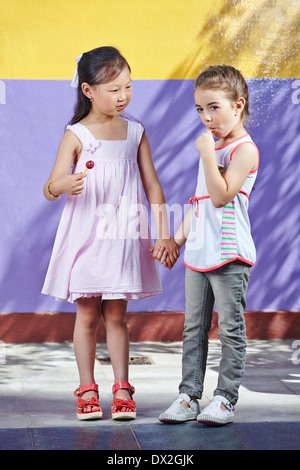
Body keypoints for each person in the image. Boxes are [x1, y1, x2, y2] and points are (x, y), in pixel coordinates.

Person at [42, 46, 179, 421]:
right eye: (114, 89)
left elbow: (153, 185)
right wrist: (62, 185)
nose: (123, 97)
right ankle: (87, 387)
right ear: (88, 90)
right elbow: (49, 186)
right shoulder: (77, 134)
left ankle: (122, 388)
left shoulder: (135, 132)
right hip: (85, 237)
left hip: (122, 237)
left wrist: (163, 233)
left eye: (128, 88)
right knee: (87, 314)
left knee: (116, 314)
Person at [157, 65, 259, 425]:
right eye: (200, 109)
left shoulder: (244, 151)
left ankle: (226, 399)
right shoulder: (214, 147)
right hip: (200, 254)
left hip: (230, 256)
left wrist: (205, 155)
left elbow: (220, 196)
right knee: (193, 328)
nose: (206, 117)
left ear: (238, 105)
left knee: (231, 328)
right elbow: (200, 201)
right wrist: (176, 241)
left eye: (214, 107)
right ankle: (189, 396)